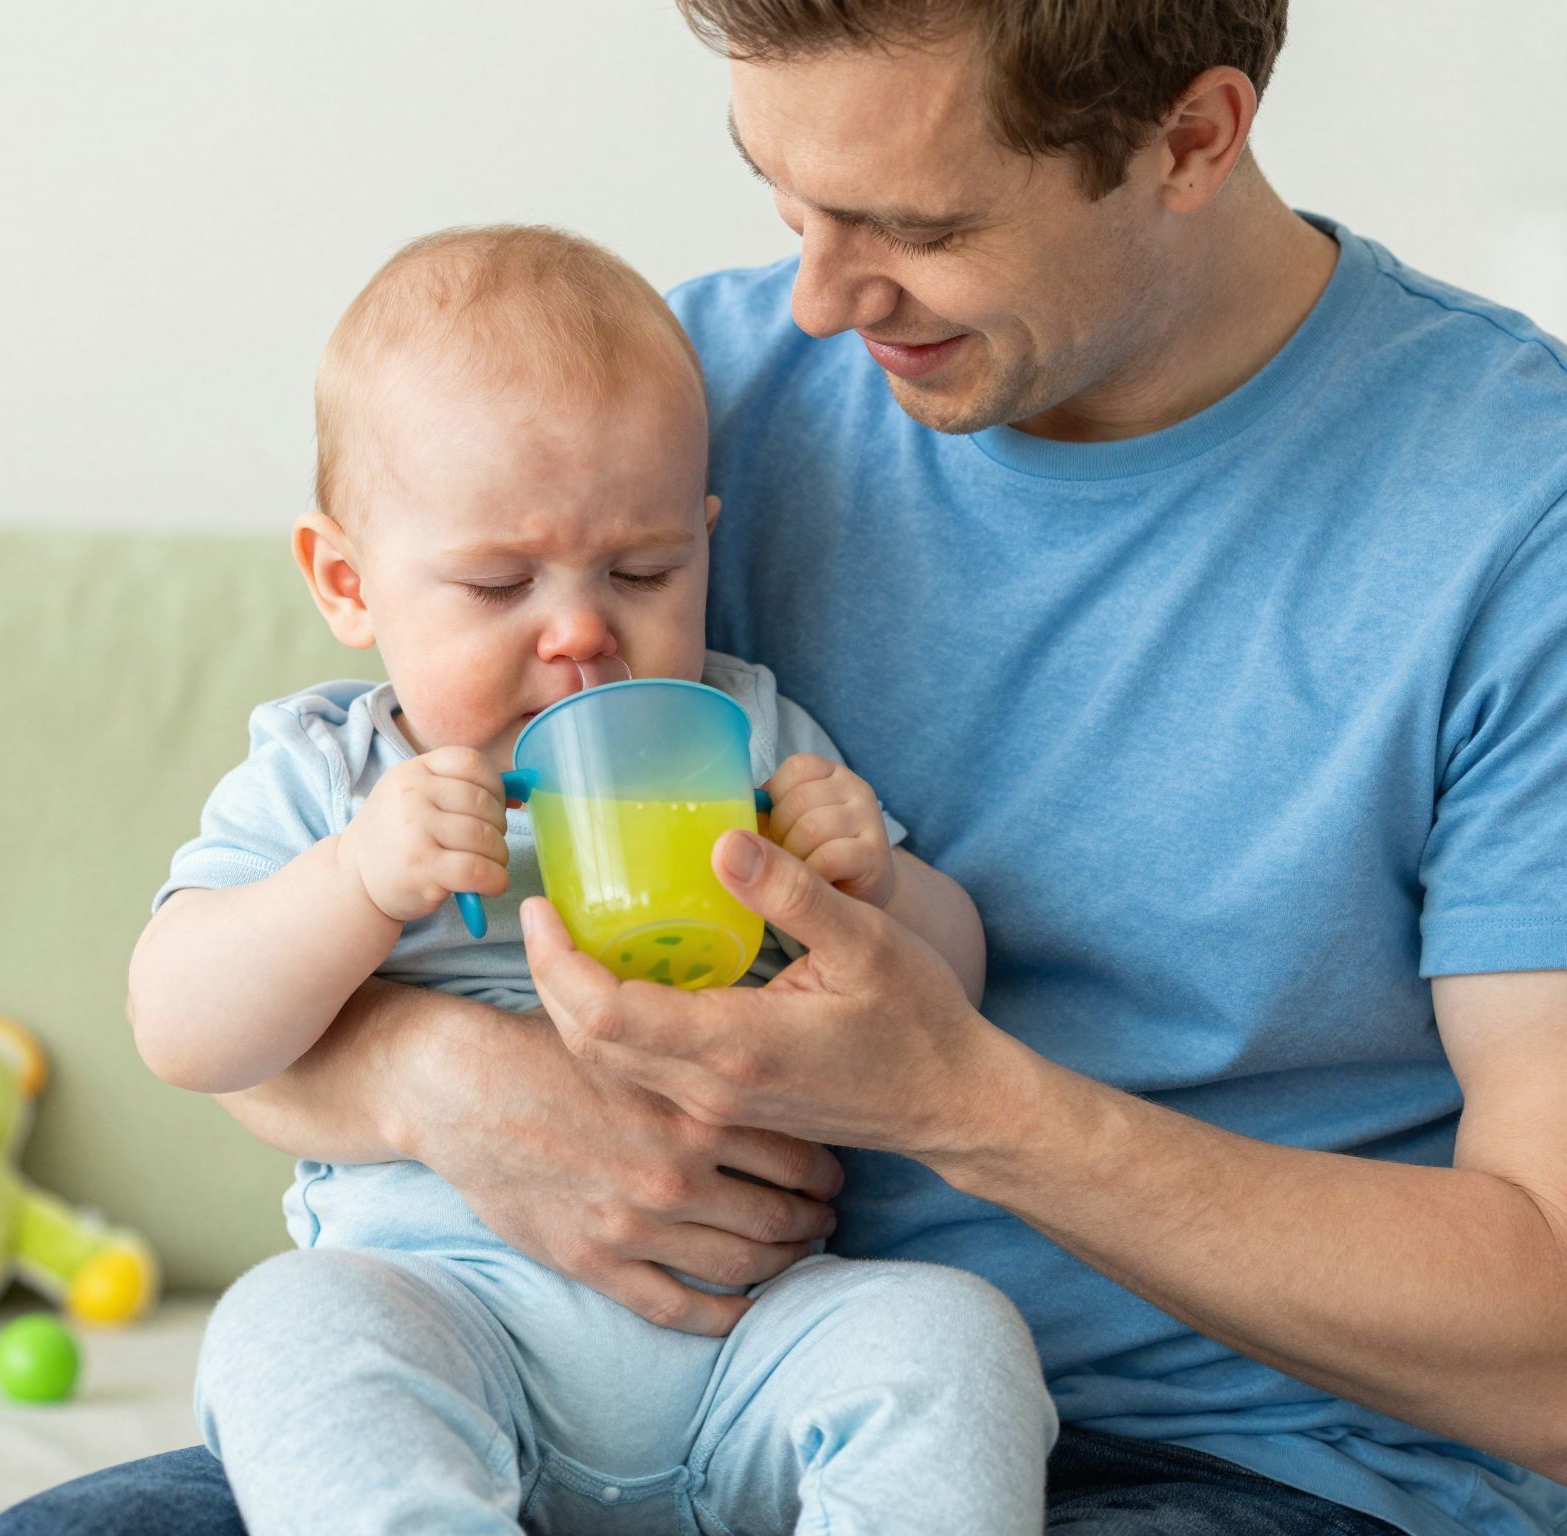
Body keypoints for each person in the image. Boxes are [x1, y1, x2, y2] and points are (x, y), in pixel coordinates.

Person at [0, 2, 1567, 1534]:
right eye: (783, 193)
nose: (821, 299)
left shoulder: (1564, 531)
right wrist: (448, 1086)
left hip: (1250, 1461)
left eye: (911, 221)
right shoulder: (671, 421)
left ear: (1194, 134)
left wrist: (955, 1094)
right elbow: (262, 976)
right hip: (570, 1377)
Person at [121, 223, 1057, 1536]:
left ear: (705, 541)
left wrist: (877, 891)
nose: (579, 633)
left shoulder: (742, 739)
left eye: (644, 570)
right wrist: (356, 883)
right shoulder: (328, 777)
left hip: (752, 1343)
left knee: (947, 1338)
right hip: (446, 1324)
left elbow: (950, 996)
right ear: (347, 580)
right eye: (498, 584)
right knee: (289, 1328)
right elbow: (181, 1023)